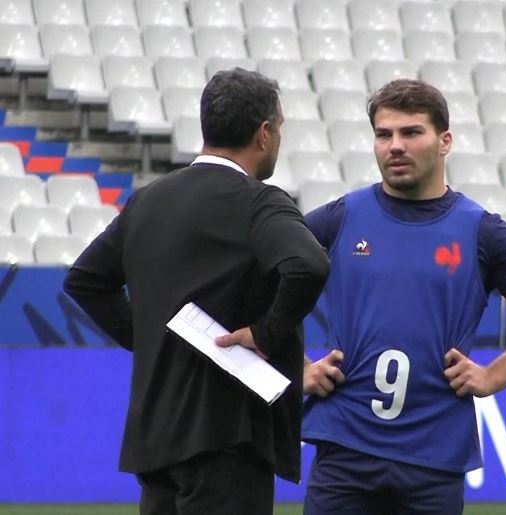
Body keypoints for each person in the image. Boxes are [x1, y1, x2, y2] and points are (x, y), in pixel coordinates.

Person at [63, 68, 330, 515]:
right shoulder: (258, 201)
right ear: (264, 134)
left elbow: (85, 280)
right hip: (227, 437)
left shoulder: (149, 200)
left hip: (156, 437)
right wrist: (266, 333)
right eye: (279, 127)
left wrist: (148, 337)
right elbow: (310, 264)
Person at [300, 79, 506, 514]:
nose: (395, 145)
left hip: (433, 456)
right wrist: (295, 367)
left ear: (444, 141)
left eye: (411, 132)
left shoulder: (483, 231)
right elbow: (257, 286)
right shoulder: (340, 217)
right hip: (344, 449)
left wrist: (494, 376)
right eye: (384, 134)